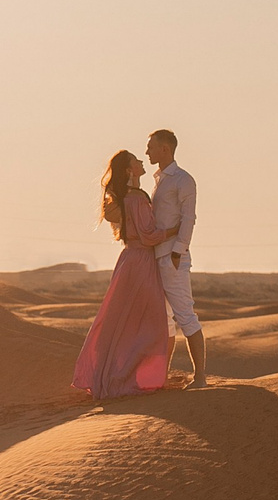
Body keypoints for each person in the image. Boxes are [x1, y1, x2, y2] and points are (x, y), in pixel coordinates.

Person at [71, 150, 174, 400]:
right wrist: (176, 229)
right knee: (149, 321)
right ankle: (136, 376)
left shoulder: (125, 198)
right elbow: (149, 235)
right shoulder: (137, 198)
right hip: (142, 262)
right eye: (136, 161)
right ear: (129, 170)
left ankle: (111, 374)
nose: (141, 162)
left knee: (121, 320)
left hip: (128, 261)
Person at [146, 128, 206, 387]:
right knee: (164, 319)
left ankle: (200, 377)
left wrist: (177, 252)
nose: (147, 151)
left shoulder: (183, 180)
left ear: (165, 149)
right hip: (157, 257)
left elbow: (189, 218)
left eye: (151, 146)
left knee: (185, 316)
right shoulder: (160, 180)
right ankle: (161, 375)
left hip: (172, 257)